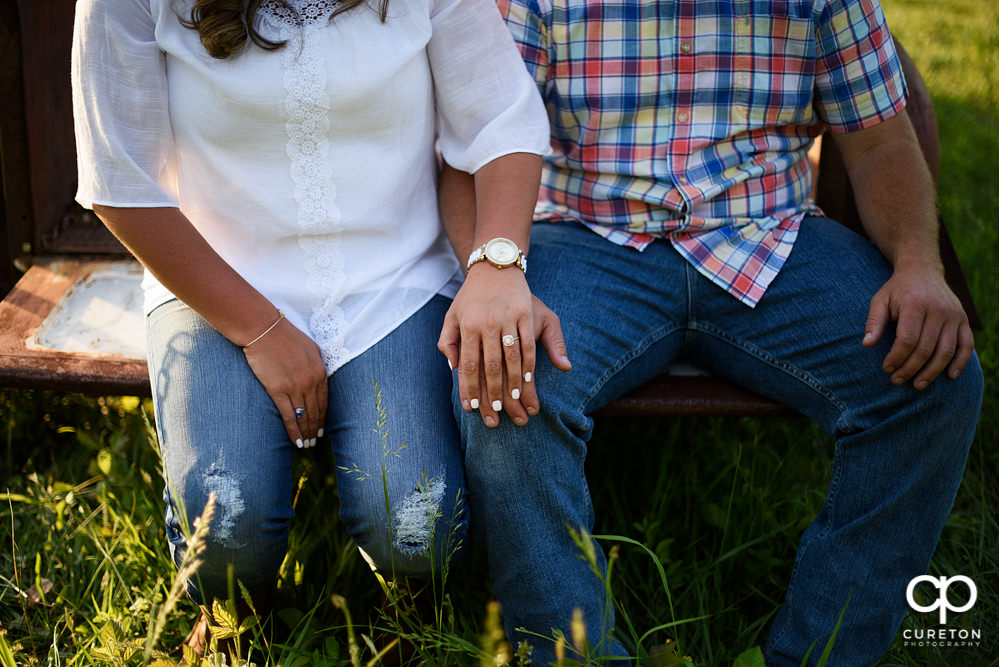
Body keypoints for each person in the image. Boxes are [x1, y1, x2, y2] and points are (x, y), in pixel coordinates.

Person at [437, 0, 984, 664]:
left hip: (773, 236)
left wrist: (919, 265)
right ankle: (570, 653)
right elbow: (485, 133)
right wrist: (492, 268)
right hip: (591, 233)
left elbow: (879, 141)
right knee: (502, 369)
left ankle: (824, 652)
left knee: (933, 378)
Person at [71, 0, 549, 656]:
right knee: (226, 521)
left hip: (395, 278)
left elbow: (500, 118)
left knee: (418, 521)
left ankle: (404, 616)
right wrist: (261, 330)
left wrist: (495, 258)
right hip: (219, 280)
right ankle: (235, 611)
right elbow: (119, 182)